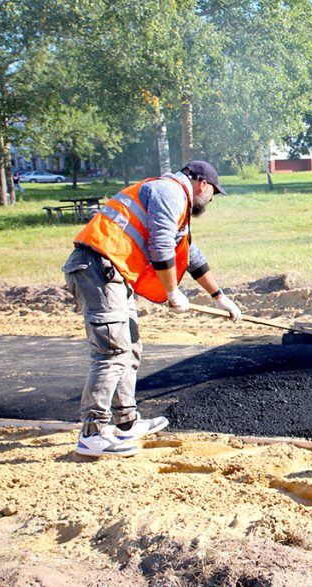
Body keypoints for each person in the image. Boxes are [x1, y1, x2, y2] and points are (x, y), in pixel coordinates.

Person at [63, 160, 243, 456]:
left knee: (130, 348)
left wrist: (219, 296)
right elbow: (161, 246)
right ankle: (92, 433)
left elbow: (189, 253)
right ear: (202, 184)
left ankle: (125, 422)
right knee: (112, 351)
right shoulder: (169, 192)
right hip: (98, 269)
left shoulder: (174, 199)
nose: (211, 200)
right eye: (213, 193)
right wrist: (173, 292)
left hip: (113, 273)